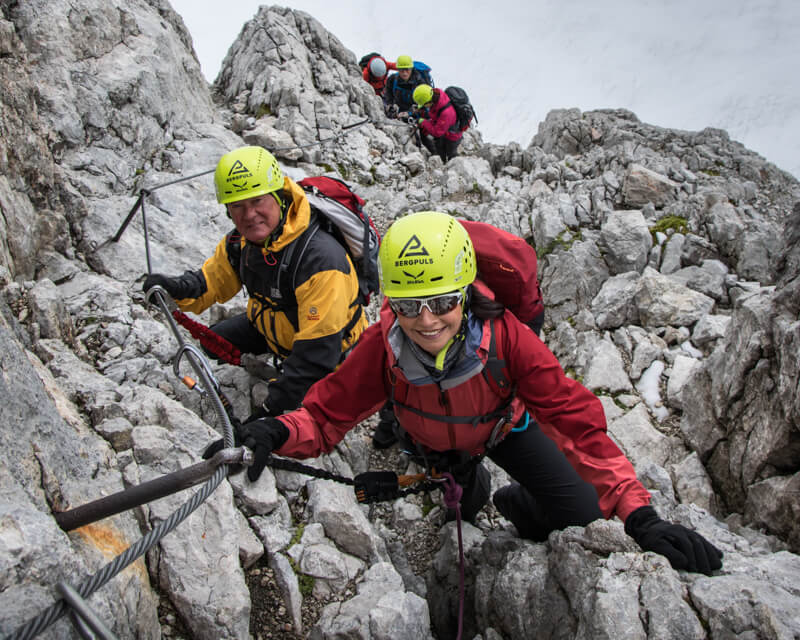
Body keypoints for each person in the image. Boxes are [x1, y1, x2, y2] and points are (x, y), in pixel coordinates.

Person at [205, 211, 724, 576]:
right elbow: (324, 416)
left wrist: (640, 515)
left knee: (583, 513)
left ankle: (518, 500)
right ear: (391, 303)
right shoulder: (382, 346)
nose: (426, 322)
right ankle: (464, 493)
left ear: (466, 291)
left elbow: (576, 424)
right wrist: (276, 430)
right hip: (431, 441)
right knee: (460, 507)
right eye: (408, 307)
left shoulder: (508, 340)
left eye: (443, 301)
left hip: (502, 429)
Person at [142, 146, 368, 418]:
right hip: (275, 329)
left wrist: (271, 407)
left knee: (295, 411)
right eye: (237, 206)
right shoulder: (241, 244)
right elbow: (210, 282)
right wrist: (173, 289)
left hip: (330, 354)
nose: (249, 215)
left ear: (278, 196)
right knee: (213, 342)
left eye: (258, 201)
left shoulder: (321, 260)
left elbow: (316, 355)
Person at [412, 84, 463, 162]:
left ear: (429, 101)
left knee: (450, 154)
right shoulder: (437, 95)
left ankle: (449, 164)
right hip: (444, 128)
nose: (425, 107)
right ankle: (440, 159)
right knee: (439, 148)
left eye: (424, 105)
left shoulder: (446, 113)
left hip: (452, 136)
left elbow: (437, 132)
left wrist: (423, 121)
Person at [383, 55, 433, 119]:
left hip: (417, 113)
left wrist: (410, 113)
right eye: (401, 70)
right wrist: (390, 105)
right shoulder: (392, 80)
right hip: (400, 110)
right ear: (397, 69)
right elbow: (388, 95)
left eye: (407, 70)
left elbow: (425, 104)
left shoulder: (420, 82)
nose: (404, 73)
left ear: (411, 69)